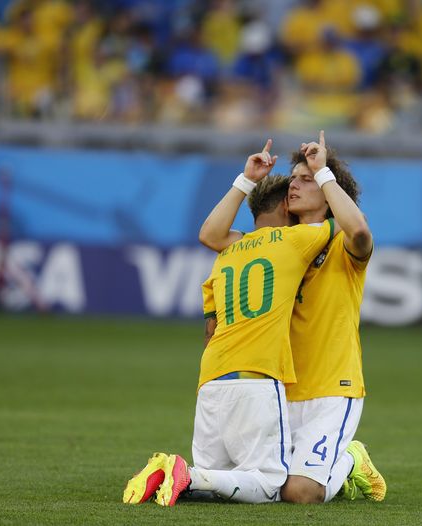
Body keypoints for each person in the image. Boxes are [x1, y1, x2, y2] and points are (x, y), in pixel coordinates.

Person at [123, 141, 337, 506]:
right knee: (270, 484)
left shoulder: (225, 256)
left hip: (211, 380)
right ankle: (186, 472)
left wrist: (246, 180)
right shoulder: (296, 238)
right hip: (257, 376)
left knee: (218, 488)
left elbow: (208, 237)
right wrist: (322, 174)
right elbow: (346, 225)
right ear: (288, 204)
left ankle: (180, 476)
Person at [199, 131, 386, 504]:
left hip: (332, 386)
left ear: (327, 189)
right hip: (279, 387)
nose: (294, 186)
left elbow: (361, 230)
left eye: (306, 179)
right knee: (265, 486)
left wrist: (324, 172)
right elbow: (213, 235)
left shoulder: (341, 242)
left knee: (300, 493)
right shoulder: (278, 243)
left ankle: (351, 460)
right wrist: (246, 180)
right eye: (295, 179)